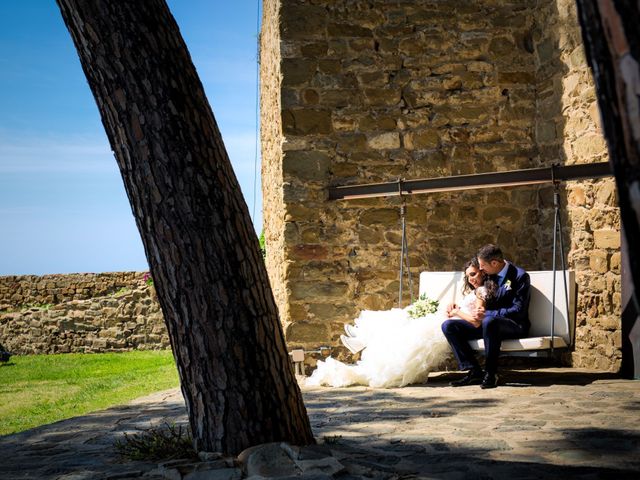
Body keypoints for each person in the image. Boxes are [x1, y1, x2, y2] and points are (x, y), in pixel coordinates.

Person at [306, 258, 492, 388]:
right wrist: (455, 307)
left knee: (418, 332)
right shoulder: (475, 291)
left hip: (457, 323)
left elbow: (476, 320)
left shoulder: (483, 291)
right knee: (406, 325)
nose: (471, 279)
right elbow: (469, 310)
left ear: (483, 273)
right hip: (453, 319)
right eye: (468, 276)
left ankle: (471, 371)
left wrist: (456, 311)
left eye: (474, 274)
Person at [441, 244, 531, 389]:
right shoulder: (489, 274)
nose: (480, 270)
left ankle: (491, 372)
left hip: (513, 325)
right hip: (488, 325)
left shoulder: (519, 276)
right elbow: (478, 294)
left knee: (489, 321)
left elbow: (518, 310)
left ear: (494, 263)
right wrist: (457, 306)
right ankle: (474, 370)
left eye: (482, 266)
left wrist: (487, 314)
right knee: (449, 326)